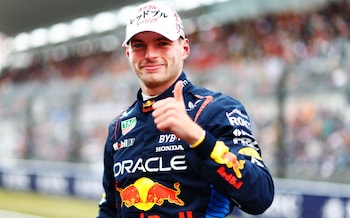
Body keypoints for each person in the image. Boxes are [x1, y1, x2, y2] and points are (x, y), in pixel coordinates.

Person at [98, 1, 274, 217]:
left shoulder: (217, 109)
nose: (150, 54)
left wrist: (198, 138)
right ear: (128, 53)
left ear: (184, 49)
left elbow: (261, 195)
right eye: (139, 45)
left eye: (162, 43)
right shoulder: (118, 127)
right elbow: (110, 208)